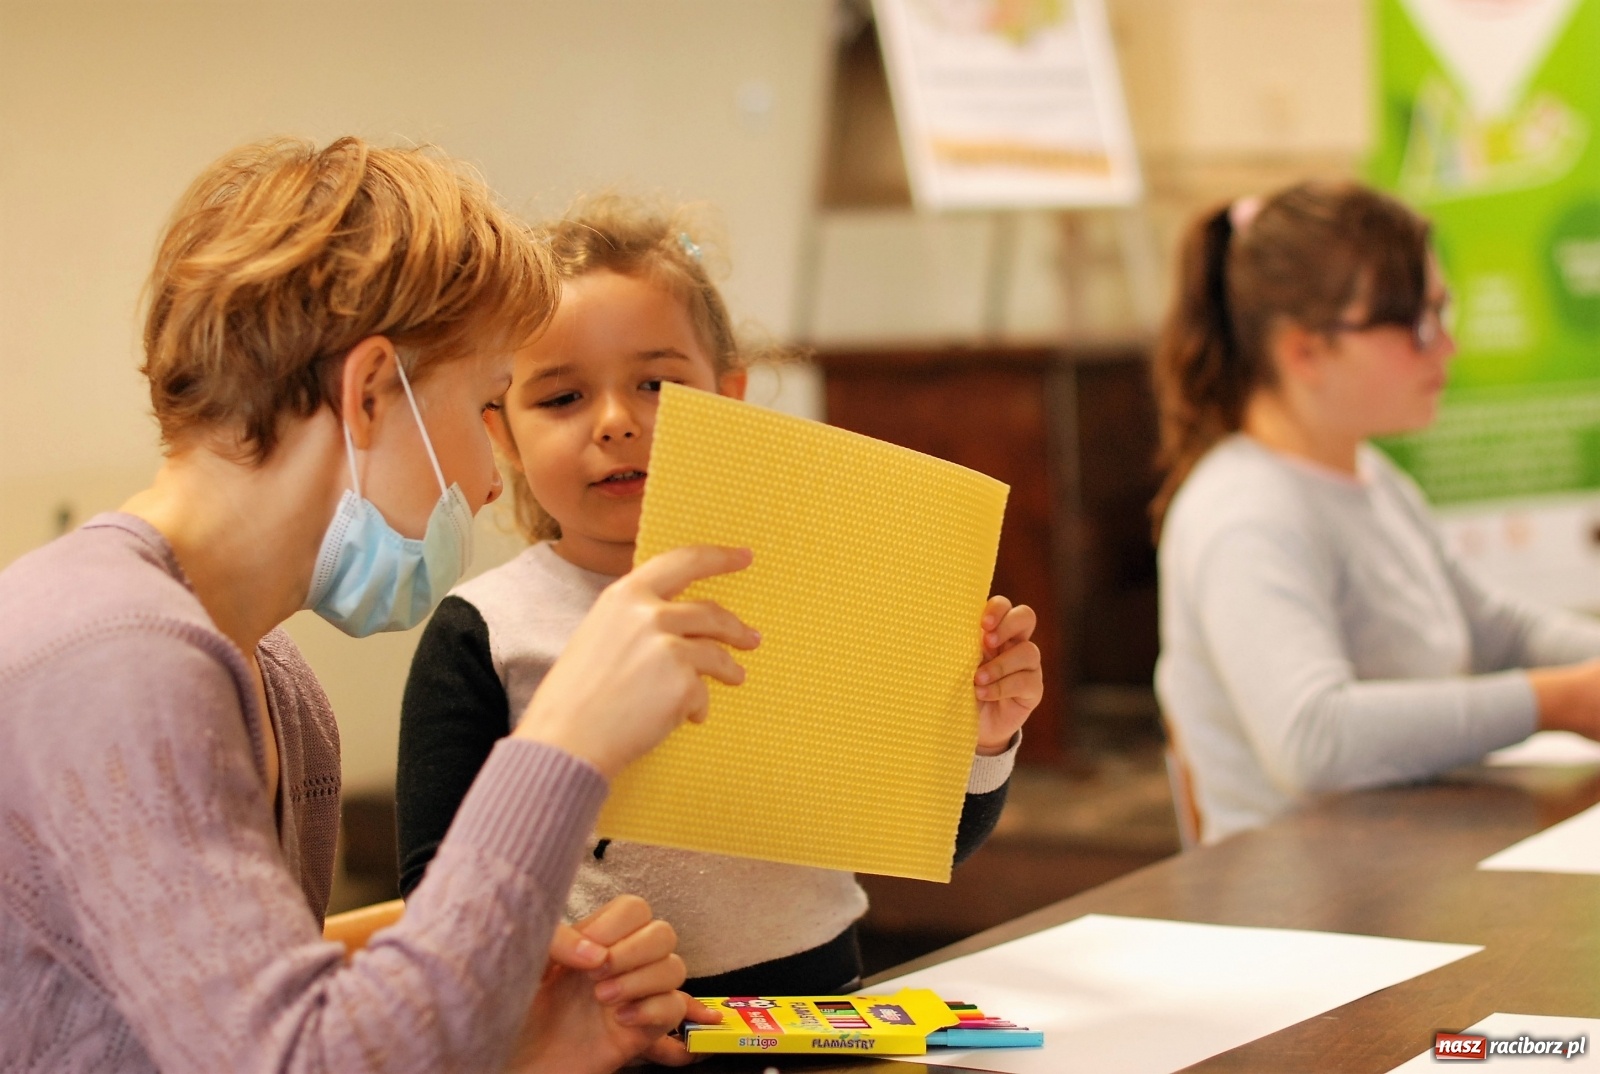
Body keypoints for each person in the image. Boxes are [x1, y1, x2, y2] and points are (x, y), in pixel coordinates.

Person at [0, 138, 760, 1073]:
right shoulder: (114, 659)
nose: (489, 483)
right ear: (368, 395)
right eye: (489, 404)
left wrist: (504, 1031)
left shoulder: (275, 680)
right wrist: (563, 743)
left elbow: (260, 1018)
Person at [396, 196, 1044, 995]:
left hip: (822, 1014)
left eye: (657, 384)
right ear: (503, 436)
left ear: (728, 394)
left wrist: (979, 743)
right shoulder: (485, 632)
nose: (615, 421)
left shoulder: (819, 590)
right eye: (561, 397)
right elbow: (434, 890)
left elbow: (931, 844)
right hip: (606, 1033)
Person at [1152, 180, 1600, 845]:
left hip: (1403, 867)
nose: (1446, 348)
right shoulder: (1245, 513)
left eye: (1444, 314)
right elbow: (1312, 738)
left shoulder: (1371, 477)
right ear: (1305, 351)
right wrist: (1554, 701)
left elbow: (1494, 629)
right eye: (1416, 324)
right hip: (1295, 914)